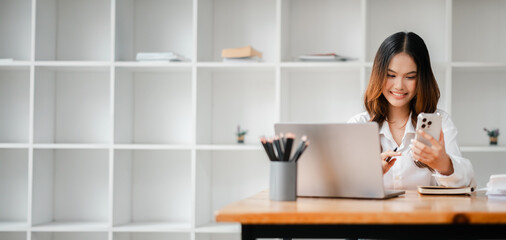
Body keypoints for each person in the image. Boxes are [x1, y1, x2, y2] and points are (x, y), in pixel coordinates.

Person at [348, 32, 474, 190]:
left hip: (426, 215)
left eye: (410, 77)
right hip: (375, 215)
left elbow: (467, 181)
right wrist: (369, 175)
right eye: (391, 75)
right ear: (378, 75)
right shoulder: (358, 125)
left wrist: (444, 165)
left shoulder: (439, 121)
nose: (399, 85)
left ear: (422, 79)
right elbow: (341, 188)